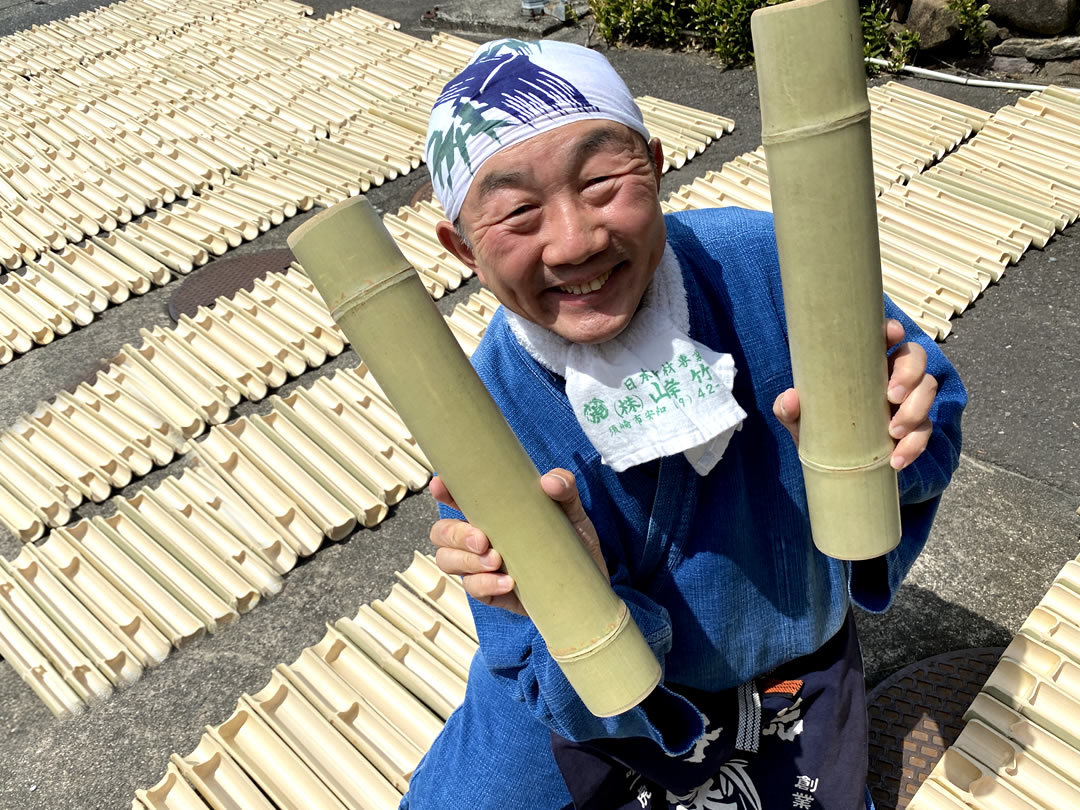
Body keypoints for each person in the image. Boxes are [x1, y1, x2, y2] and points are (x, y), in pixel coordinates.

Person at [401, 39, 965, 809]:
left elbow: (934, 399)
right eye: (518, 212)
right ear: (460, 247)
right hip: (597, 696)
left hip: (785, 664)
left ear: (657, 167)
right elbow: (530, 651)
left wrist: (900, 437)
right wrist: (568, 598)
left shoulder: (770, 265)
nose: (574, 240)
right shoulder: (484, 409)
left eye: (602, 181)